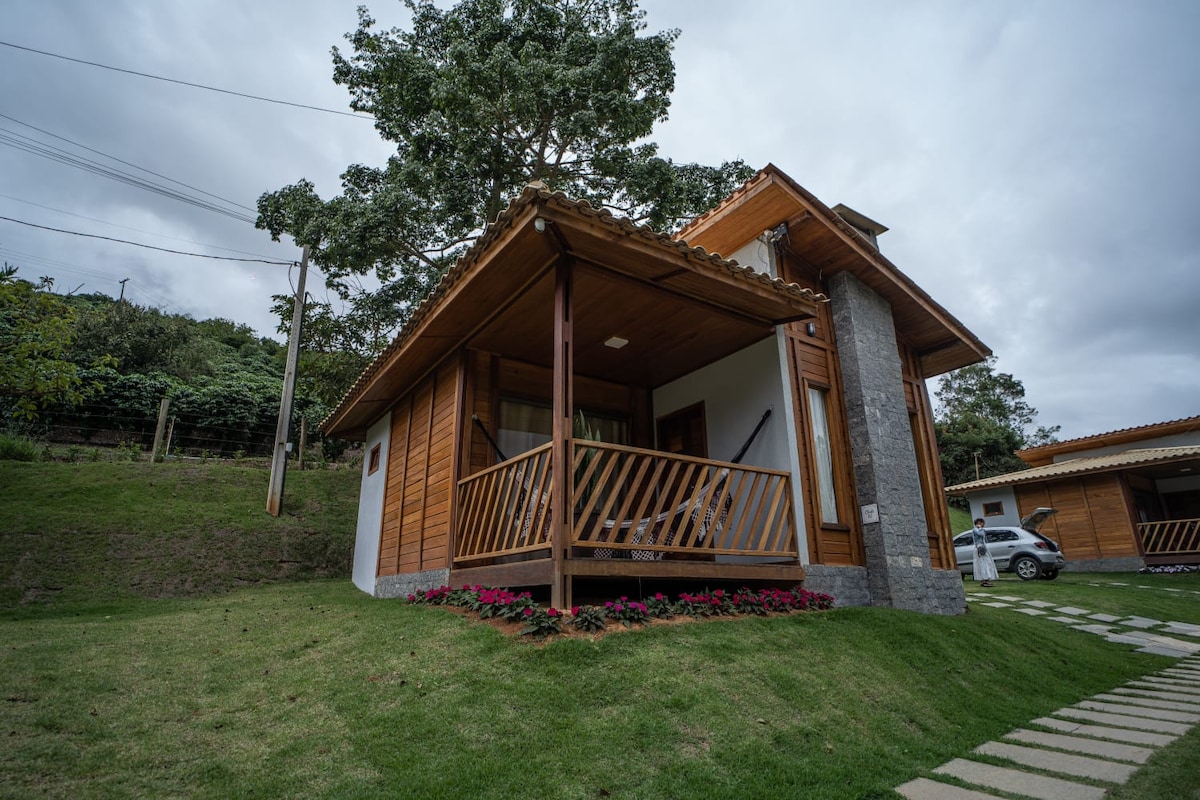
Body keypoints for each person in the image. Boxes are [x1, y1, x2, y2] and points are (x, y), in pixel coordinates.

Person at [971, 518, 998, 587]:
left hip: (983, 547)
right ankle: (984, 579)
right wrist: (980, 528)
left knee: (987, 563)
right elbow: (980, 534)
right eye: (980, 523)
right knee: (982, 564)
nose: (982, 524)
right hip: (979, 548)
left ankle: (986, 579)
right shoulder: (976, 530)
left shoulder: (981, 530)